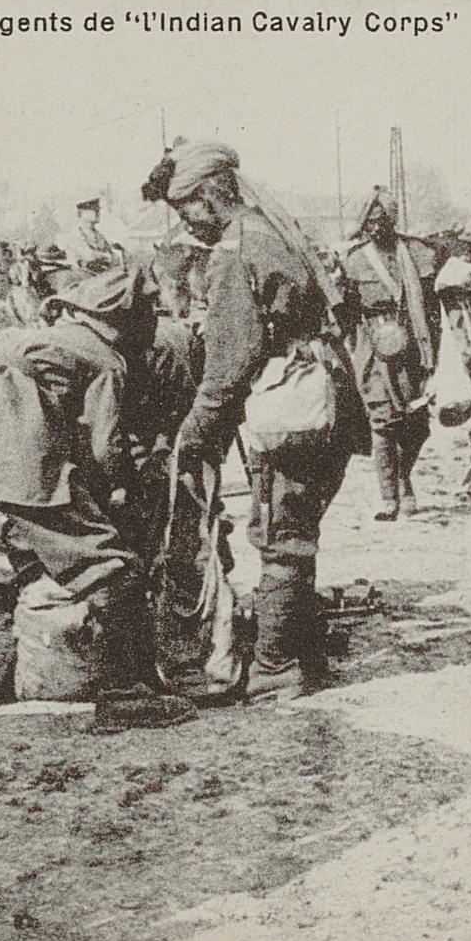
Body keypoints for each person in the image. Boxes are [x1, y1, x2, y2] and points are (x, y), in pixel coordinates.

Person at [144, 139, 369, 701]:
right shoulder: (273, 232)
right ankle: (303, 653)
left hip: (291, 408)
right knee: (298, 528)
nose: (187, 222)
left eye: (188, 207)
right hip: (325, 399)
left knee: (280, 535)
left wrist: (194, 434)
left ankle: (275, 667)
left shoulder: (232, 252)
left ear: (213, 194)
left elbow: (230, 362)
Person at [0, 266, 197, 730]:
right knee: (107, 561)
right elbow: (104, 447)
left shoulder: (39, 336)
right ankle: (126, 696)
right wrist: (115, 491)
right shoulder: (107, 360)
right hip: (13, 443)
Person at [341, 188, 440, 520]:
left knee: (418, 424)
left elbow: (434, 307)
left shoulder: (418, 253)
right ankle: (388, 496)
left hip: (414, 346)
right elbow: (347, 313)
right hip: (374, 351)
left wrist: (433, 353)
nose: (376, 227)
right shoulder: (354, 261)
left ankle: (403, 475)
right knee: (383, 422)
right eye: (369, 222)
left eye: (381, 220)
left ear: (392, 220)